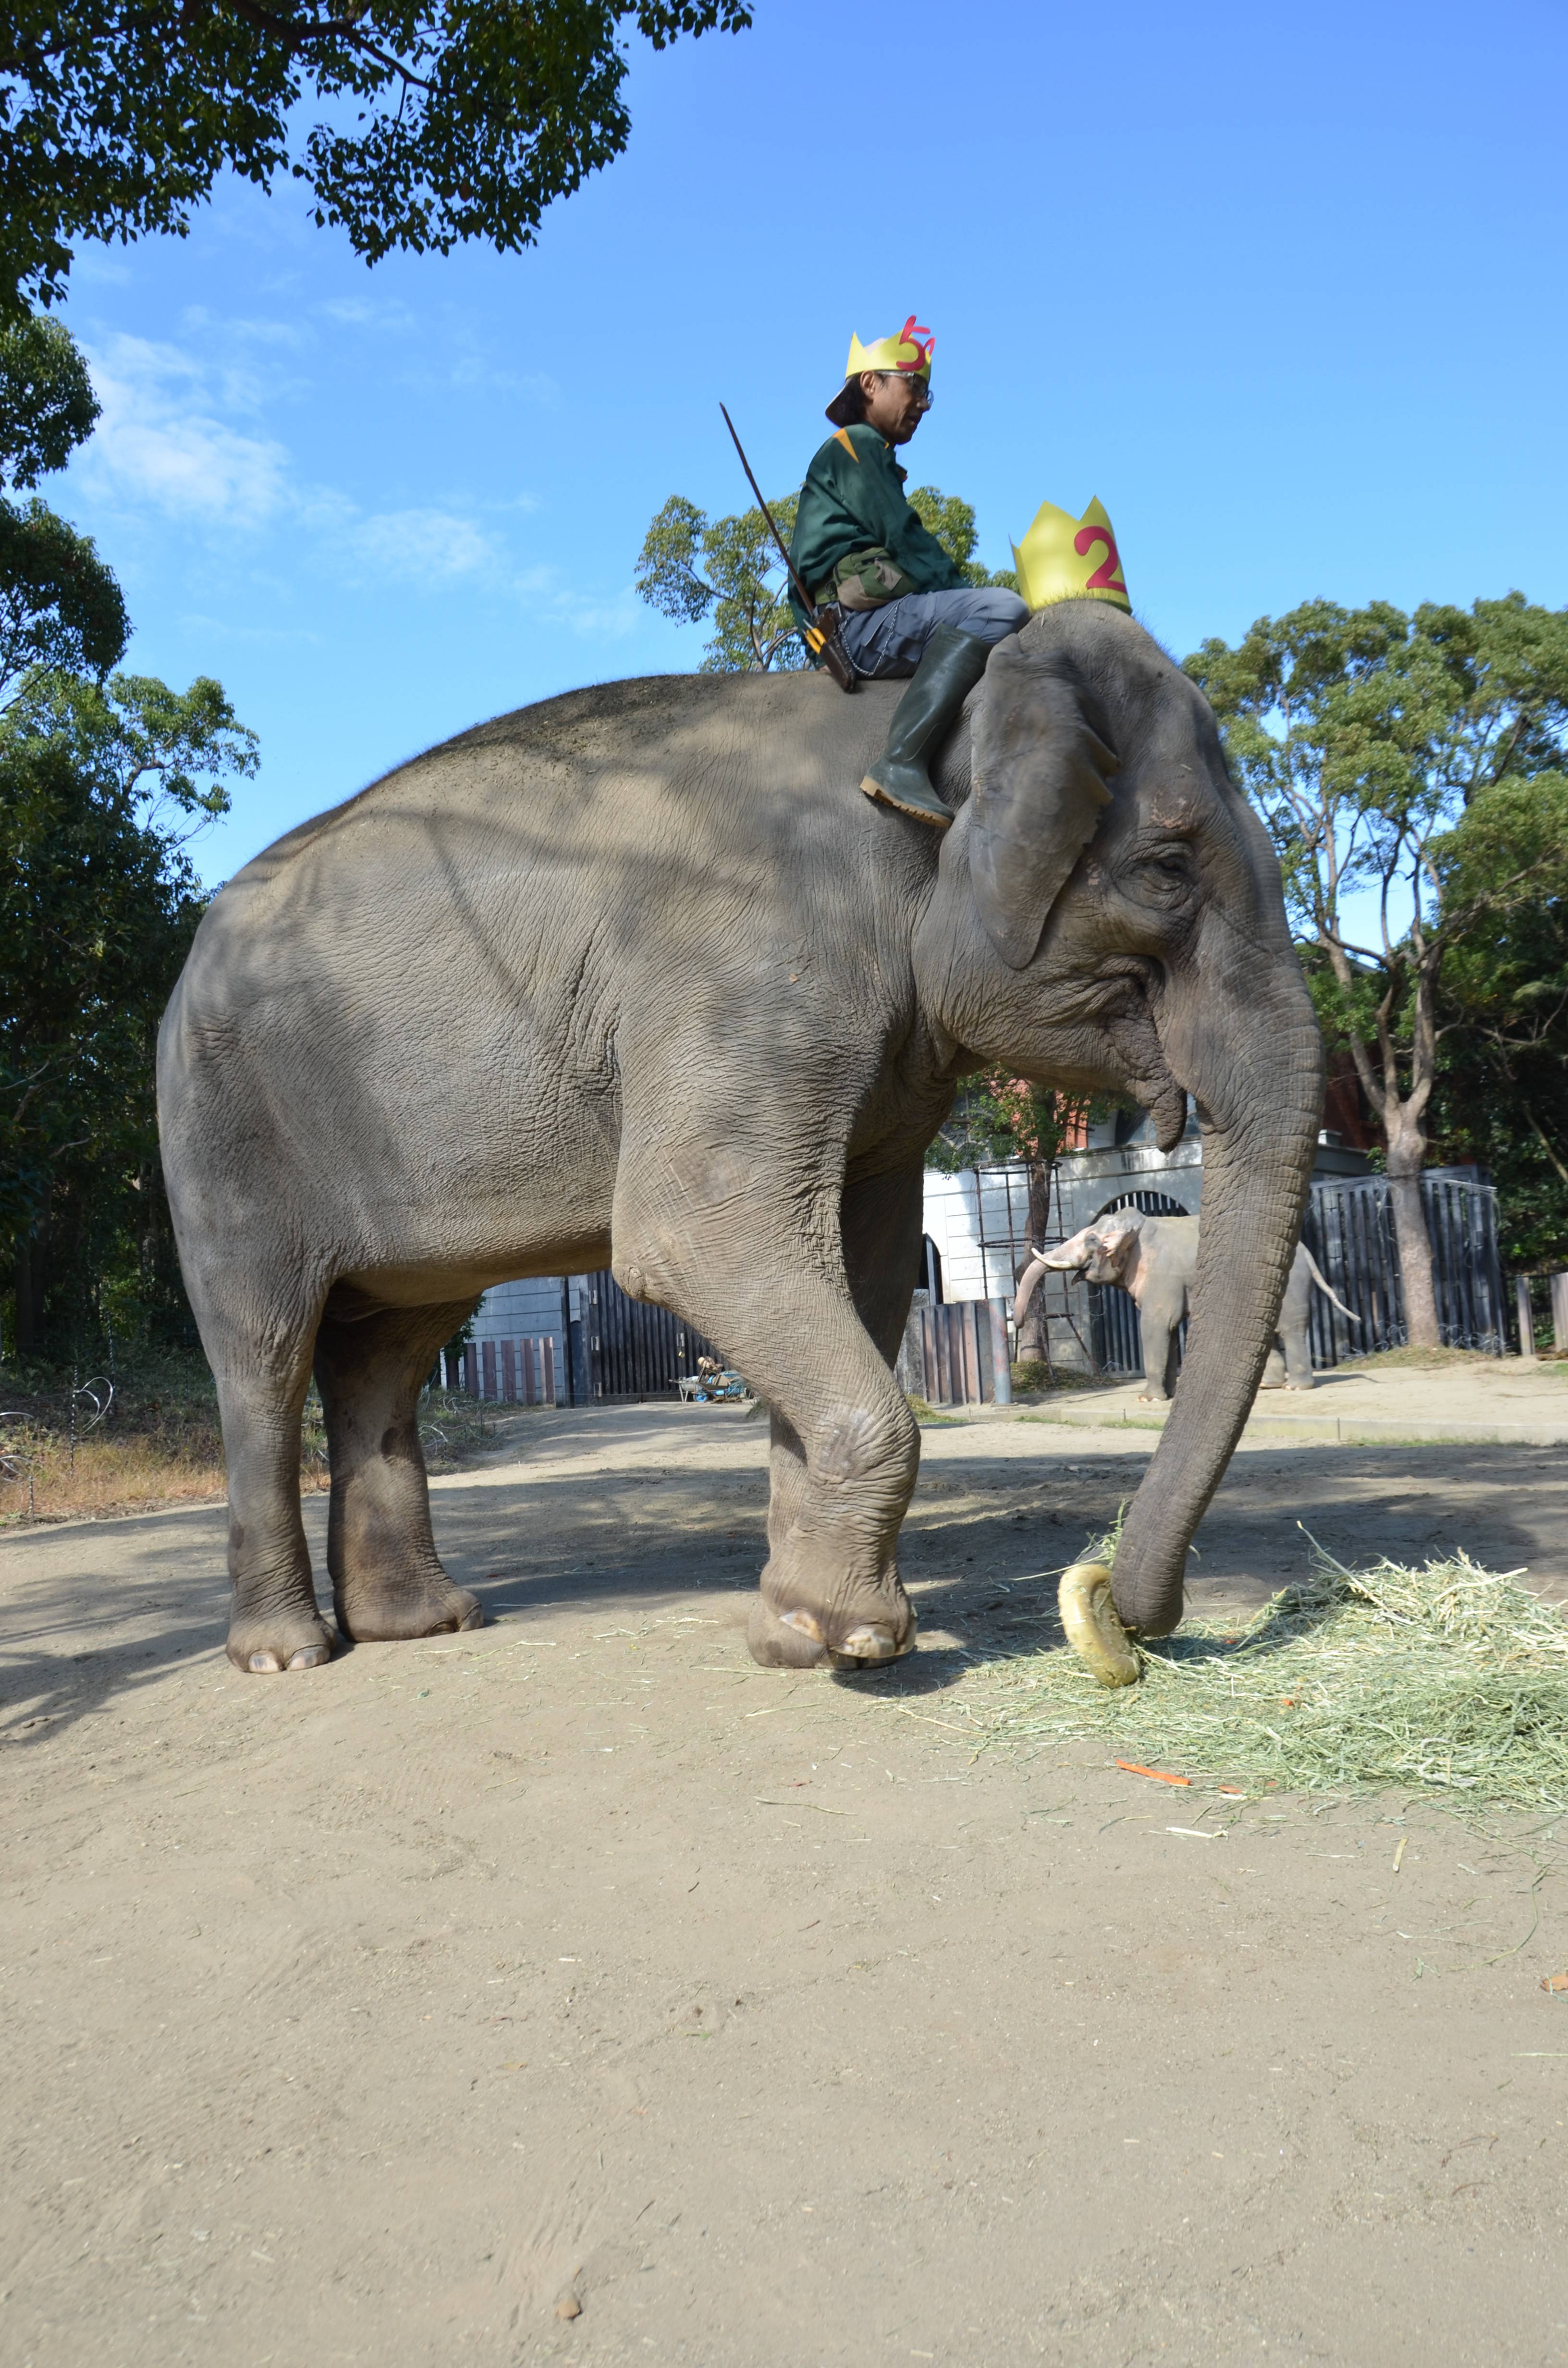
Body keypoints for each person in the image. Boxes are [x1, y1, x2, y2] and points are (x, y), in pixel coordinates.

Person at [788, 317, 1029, 829]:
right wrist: (969, 598)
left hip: (843, 627)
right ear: (870, 384)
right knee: (1002, 609)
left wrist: (816, 645)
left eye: (927, 393)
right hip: (861, 627)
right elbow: (904, 537)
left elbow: (799, 589)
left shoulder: (855, 455)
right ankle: (901, 761)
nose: (923, 403)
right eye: (914, 387)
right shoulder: (855, 445)